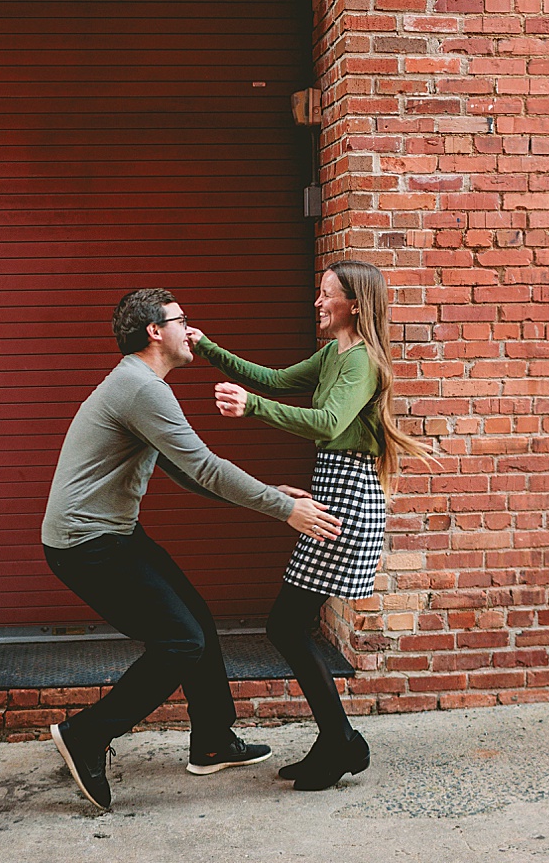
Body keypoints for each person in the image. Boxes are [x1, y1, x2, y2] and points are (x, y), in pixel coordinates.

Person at [42, 288, 344, 811]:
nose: (191, 330)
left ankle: (212, 740)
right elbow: (204, 467)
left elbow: (186, 471)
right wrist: (282, 509)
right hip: (85, 542)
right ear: (155, 332)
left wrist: (273, 492)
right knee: (180, 641)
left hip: (111, 533)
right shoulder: (141, 388)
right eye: (181, 320)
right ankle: (88, 735)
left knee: (197, 624)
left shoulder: (140, 385)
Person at [189, 261, 431, 791]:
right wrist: (207, 347)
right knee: (288, 624)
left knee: (285, 624)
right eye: (319, 294)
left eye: (327, 296)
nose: (317, 303)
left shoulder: (362, 360)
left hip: (349, 498)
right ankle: (338, 740)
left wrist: (253, 408)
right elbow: (273, 380)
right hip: (334, 490)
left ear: (356, 305)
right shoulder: (334, 353)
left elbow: (326, 423)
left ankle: (340, 741)